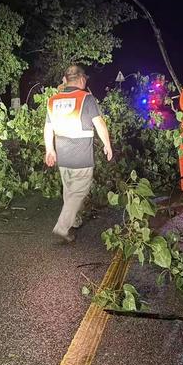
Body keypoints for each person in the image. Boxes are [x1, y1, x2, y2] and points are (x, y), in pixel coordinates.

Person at [44, 65, 113, 242]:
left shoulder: (53, 100)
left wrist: (49, 150)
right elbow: (99, 124)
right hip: (81, 156)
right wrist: (107, 145)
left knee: (69, 191)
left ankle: (74, 220)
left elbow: (48, 128)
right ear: (82, 79)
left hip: (63, 155)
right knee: (79, 192)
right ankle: (62, 227)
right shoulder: (86, 98)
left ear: (65, 79)